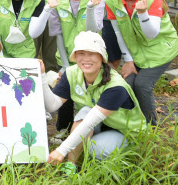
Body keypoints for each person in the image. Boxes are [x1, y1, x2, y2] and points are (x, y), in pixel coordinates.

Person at [41, 31, 146, 167]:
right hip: (100, 125)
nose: (86, 59)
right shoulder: (72, 73)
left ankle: (127, 155)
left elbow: (90, 123)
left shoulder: (115, 86)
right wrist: (42, 76)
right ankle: (71, 167)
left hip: (126, 133)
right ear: (75, 56)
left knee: (94, 148)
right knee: (84, 113)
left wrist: (61, 150)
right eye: (81, 53)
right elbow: (52, 105)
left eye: (91, 54)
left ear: (102, 57)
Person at [104, 0, 178, 124]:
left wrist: (143, 13)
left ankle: (151, 127)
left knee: (142, 85)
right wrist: (128, 60)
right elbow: (118, 33)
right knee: (128, 82)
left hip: (162, 49)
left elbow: (152, 34)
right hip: (137, 52)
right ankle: (132, 123)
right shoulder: (111, 0)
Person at [48, 0, 105, 133]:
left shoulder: (96, 0)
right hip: (65, 56)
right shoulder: (56, 1)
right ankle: (63, 129)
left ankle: (90, 130)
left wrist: (90, 8)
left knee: (89, 93)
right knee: (64, 93)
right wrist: (65, 65)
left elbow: (93, 30)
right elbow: (57, 33)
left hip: (90, 57)